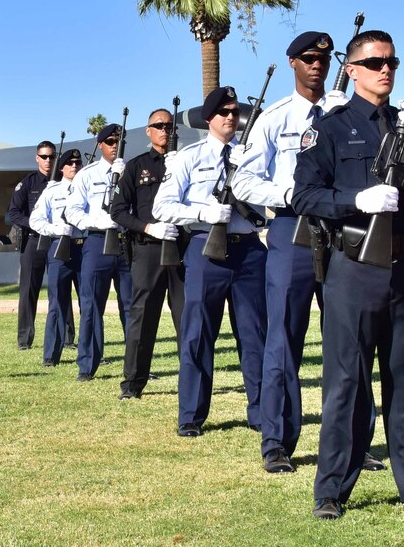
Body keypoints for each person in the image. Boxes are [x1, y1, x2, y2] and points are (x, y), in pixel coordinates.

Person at [291, 30, 404, 520]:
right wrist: (355, 201)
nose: (385, 69)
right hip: (354, 267)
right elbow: (303, 196)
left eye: (391, 61)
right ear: (351, 70)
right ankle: (331, 490)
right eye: (374, 63)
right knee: (345, 381)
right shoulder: (329, 127)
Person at [231, 32, 386, 475]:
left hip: (344, 229)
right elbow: (243, 181)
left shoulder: (347, 115)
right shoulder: (274, 118)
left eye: (322, 58)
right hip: (293, 229)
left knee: (351, 341)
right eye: (307, 58)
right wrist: (292, 193)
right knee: (283, 335)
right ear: (292, 64)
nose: (316, 65)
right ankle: (277, 440)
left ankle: (356, 440)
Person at [152, 87, 267, 437]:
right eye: (223, 113)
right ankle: (191, 415)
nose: (230, 118)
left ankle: (262, 413)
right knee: (198, 335)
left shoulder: (251, 155)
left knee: (255, 336)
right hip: (205, 250)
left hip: (248, 251)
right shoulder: (189, 157)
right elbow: (162, 207)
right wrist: (203, 210)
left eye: (234, 112)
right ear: (208, 119)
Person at [110, 108, 184, 400]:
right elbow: (117, 211)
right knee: (142, 317)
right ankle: (132, 384)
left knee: (186, 316)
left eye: (169, 125)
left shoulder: (185, 162)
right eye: (159, 125)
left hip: (181, 247)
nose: (165, 130)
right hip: (148, 249)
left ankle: (190, 383)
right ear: (148, 131)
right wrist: (148, 228)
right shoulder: (136, 166)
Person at [63, 124, 133, 381]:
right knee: (92, 305)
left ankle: (135, 366)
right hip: (98, 241)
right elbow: (71, 211)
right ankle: (87, 364)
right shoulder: (87, 174)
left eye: (119, 141)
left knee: (133, 307)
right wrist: (96, 221)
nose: (115, 145)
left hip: (127, 243)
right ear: (101, 144)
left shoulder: (131, 171)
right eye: (111, 141)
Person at [7, 140, 74, 350]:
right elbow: (13, 213)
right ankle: (25, 340)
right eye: (44, 157)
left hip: (58, 242)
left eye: (52, 156)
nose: (48, 161)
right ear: (37, 158)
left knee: (61, 288)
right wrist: (36, 225)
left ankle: (67, 339)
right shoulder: (27, 184)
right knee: (28, 291)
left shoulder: (65, 183)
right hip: (34, 241)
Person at [29, 148, 85, 366]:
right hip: (59, 249)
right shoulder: (51, 192)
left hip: (83, 248)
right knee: (57, 303)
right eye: (70, 163)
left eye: (78, 163)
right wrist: (55, 228)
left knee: (88, 303)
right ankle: (51, 354)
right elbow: (35, 220)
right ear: (61, 168)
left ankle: (89, 352)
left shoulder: (87, 188)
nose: (74, 166)